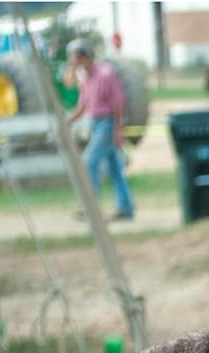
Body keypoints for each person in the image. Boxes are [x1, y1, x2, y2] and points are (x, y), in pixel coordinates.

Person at [65, 38, 134, 221]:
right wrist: (68, 122)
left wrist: (118, 130)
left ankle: (91, 208)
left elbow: (118, 103)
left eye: (74, 58)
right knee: (114, 168)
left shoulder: (105, 74)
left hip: (107, 123)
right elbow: (82, 105)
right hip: (95, 123)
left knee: (89, 161)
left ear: (85, 57)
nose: (72, 62)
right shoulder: (85, 78)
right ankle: (125, 208)